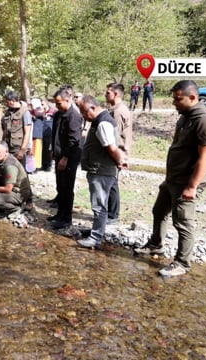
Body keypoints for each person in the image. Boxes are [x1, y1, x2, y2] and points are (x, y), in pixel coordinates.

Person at [134, 80, 206, 277]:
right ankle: (156, 245)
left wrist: (192, 186)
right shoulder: (184, 117)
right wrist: (169, 177)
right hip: (173, 178)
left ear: (193, 97)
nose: (173, 102)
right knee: (159, 211)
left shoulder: (205, 120)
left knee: (183, 222)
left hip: (187, 182)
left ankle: (182, 262)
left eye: (177, 99)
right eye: (173, 98)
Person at [75, 95, 128, 249]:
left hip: (101, 170)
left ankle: (95, 238)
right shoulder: (102, 120)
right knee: (100, 204)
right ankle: (96, 231)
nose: (84, 116)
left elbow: (112, 148)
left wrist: (120, 160)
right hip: (102, 169)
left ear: (93, 108)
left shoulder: (103, 123)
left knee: (99, 206)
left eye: (85, 112)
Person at [49, 88, 83, 230]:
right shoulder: (58, 114)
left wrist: (65, 158)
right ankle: (60, 214)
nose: (57, 106)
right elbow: (55, 135)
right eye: (55, 103)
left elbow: (74, 140)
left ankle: (66, 218)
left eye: (59, 103)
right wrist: (53, 151)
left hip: (69, 157)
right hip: (58, 155)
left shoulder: (73, 116)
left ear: (67, 100)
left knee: (67, 187)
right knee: (60, 186)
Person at [105, 83, 133, 224]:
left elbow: (114, 135)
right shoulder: (117, 109)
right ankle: (111, 213)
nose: (105, 95)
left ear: (116, 94)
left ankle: (112, 215)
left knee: (112, 183)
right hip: (118, 151)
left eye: (108, 93)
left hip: (117, 151)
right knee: (111, 182)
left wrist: (117, 156)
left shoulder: (118, 112)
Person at [0, 141, 33, 218]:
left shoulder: (10, 166)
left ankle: (16, 209)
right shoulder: (5, 158)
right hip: (13, 187)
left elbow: (7, 189)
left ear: (6, 151)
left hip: (20, 193)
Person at [2, 91, 32, 168]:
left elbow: (27, 133)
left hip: (17, 148)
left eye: (7, 101)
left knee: (20, 171)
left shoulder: (25, 112)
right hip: (7, 147)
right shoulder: (8, 112)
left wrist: (22, 150)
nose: (6, 103)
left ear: (13, 101)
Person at [29, 97, 46, 172]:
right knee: (32, 151)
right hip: (33, 134)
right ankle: (32, 166)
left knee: (36, 152)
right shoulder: (33, 111)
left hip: (37, 134)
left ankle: (35, 166)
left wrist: (32, 114)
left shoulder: (39, 110)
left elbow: (39, 114)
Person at [40, 98, 54, 172]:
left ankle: (48, 165)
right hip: (41, 134)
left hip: (49, 134)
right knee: (42, 150)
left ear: (47, 103)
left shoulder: (53, 112)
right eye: (41, 104)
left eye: (43, 104)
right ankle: (43, 164)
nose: (42, 106)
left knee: (48, 150)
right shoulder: (39, 112)